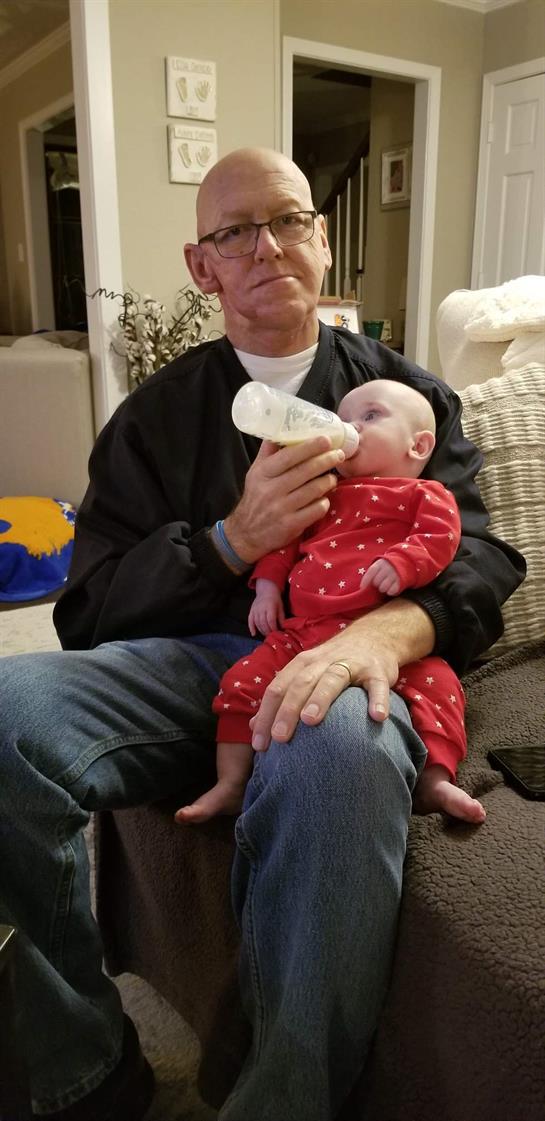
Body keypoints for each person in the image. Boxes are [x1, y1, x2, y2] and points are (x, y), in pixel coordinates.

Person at [0, 147, 525, 1121]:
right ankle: (82, 1060)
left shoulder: (405, 396)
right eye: (235, 231)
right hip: (190, 663)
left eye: (288, 219)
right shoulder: (154, 419)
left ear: (321, 240)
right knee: (7, 711)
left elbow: (482, 552)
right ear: (202, 268)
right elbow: (84, 611)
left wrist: (389, 631)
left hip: (342, 651)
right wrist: (226, 543)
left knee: (333, 741)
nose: (266, 245)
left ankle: (281, 1093)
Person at [179, 379, 486, 827]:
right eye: (344, 419)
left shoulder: (425, 494)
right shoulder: (321, 493)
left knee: (441, 687)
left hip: (380, 634)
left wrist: (405, 563)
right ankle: (231, 782)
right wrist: (266, 589)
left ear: (418, 445)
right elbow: (282, 545)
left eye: (370, 416)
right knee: (242, 681)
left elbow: (441, 537)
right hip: (303, 634)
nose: (349, 429)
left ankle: (436, 778)